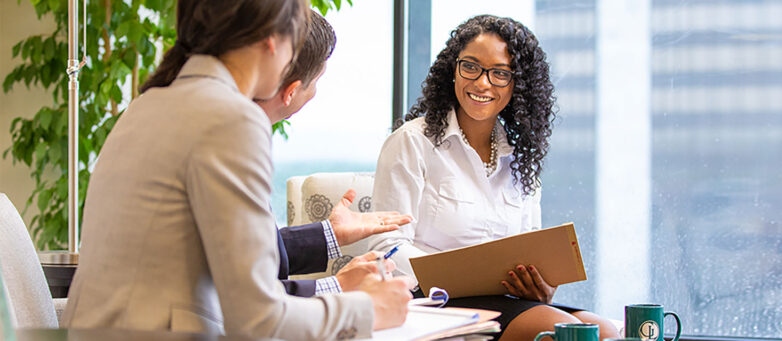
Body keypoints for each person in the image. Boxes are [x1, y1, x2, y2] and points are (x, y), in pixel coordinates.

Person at [63, 1, 411, 339]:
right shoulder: (229, 118)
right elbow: (259, 321)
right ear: (273, 39)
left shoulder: (146, 106)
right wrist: (367, 309)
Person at [368, 14, 620, 340]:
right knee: (569, 333)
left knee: (606, 331)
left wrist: (539, 285)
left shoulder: (519, 160)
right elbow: (385, 247)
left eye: (500, 73)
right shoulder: (411, 143)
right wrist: (461, 272)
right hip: (433, 301)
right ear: (452, 69)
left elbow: (531, 247)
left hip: (505, 301)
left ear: (518, 85)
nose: (482, 83)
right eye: (470, 66)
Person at [254, 10, 409, 298]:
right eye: (317, 81)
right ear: (291, 91)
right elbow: (250, 298)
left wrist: (330, 234)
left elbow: (251, 251)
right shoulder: (236, 150)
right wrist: (338, 285)